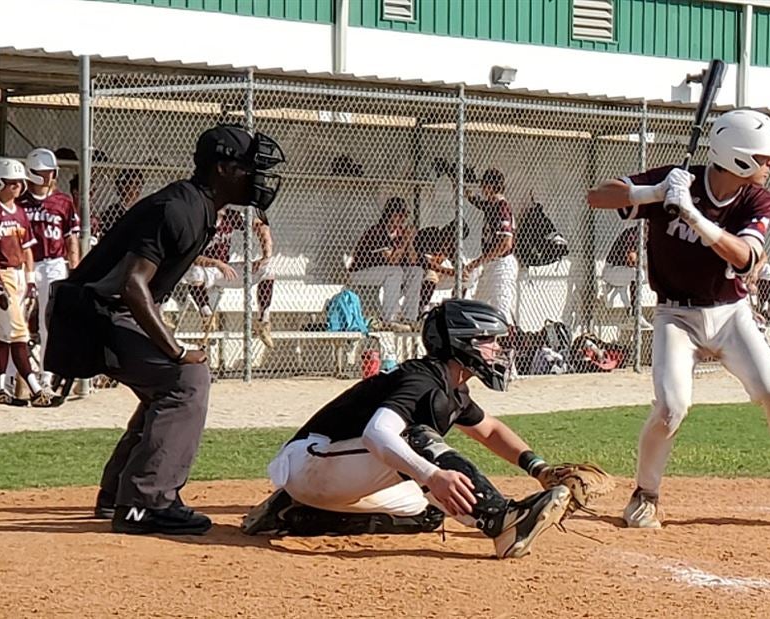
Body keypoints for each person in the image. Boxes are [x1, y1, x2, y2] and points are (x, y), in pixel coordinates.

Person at [585, 108, 770, 531]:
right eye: (764, 156)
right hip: (675, 315)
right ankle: (645, 493)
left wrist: (693, 215)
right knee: (672, 407)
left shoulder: (756, 198)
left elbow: (745, 256)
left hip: (731, 314)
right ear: (739, 157)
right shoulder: (677, 178)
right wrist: (650, 193)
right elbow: (596, 197)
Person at [43, 124, 285, 534]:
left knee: (167, 385)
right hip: (92, 315)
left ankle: (120, 492)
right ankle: (145, 505)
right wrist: (174, 349)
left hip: (98, 310)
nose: (259, 178)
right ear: (223, 169)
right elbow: (132, 284)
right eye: (249, 168)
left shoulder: (198, 206)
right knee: (186, 378)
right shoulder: (181, 208)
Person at [240, 299, 571, 559]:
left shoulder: (452, 387)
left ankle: (295, 515)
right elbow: (377, 433)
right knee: (417, 441)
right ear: (462, 342)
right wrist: (431, 475)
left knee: (431, 511)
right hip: (313, 460)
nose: (497, 349)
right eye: (489, 340)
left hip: (329, 476)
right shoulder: (421, 378)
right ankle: (503, 521)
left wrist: (540, 468)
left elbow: (490, 430)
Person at [18, 148, 81, 393]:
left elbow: (71, 238)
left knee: (49, 323)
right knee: (19, 323)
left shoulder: (63, 201)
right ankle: (16, 379)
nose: (49, 176)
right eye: (43, 172)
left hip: (54, 264)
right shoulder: (21, 201)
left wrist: (74, 269)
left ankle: (47, 376)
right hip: (26, 265)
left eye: (50, 172)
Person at [0, 158, 55, 407]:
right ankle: (35, 389)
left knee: (4, 336)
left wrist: (30, 280)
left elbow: (28, 249)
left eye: (19, 184)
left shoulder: (18, 212)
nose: (17, 189)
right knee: (19, 333)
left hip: (20, 274)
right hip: (3, 273)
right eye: (11, 184)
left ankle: (0, 388)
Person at [180, 206, 276, 347]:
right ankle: (206, 315)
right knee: (194, 271)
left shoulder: (230, 216)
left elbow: (261, 225)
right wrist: (217, 263)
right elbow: (191, 257)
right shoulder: (198, 217)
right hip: (204, 268)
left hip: (223, 270)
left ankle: (263, 321)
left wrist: (266, 254)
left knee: (268, 270)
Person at [349, 197, 423, 331]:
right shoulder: (378, 232)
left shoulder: (399, 234)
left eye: (405, 215)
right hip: (361, 272)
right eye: (399, 215)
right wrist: (405, 240)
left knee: (417, 272)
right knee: (395, 272)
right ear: (391, 214)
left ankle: (410, 318)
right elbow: (392, 260)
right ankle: (389, 319)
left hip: (384, 272)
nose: (403, 219)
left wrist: (410, 242)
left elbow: (413, 261)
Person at [466, 169, 517, 323]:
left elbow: (505, 244)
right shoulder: (491, 205)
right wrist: (466, 192)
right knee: (479, 308)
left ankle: (507, 344)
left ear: (490, 186)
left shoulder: (501, 206)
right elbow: (479, 203)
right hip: (491, 264)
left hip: (501, 264)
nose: (482, 189)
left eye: (484, 185)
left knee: (500, 311)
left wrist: (477, 262)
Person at [94, 168, 145, 239]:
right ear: (124, 186)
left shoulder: (141, 209)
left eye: (140, 185)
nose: (138, 189)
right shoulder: (112, 212)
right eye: (135, 184)